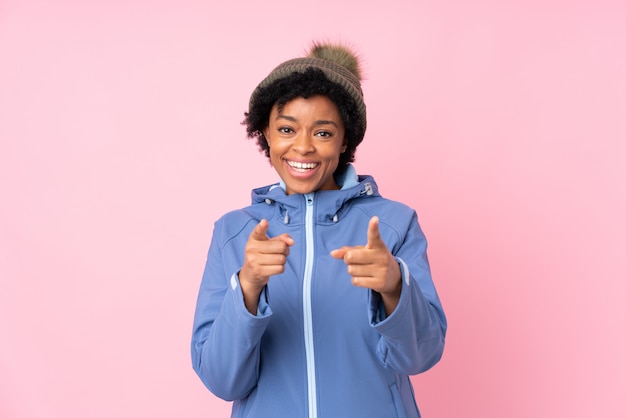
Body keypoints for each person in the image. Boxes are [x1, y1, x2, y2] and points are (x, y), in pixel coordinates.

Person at [191, 41, 447, 418]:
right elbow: (223, 380)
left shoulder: (394, 224)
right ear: (265, 133)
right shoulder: (234, 232)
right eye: (286, 129)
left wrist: (395, 286)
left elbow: (420, 356)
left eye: (323, 133)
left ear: (346, 139)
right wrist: (246, 287)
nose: (303, 147)